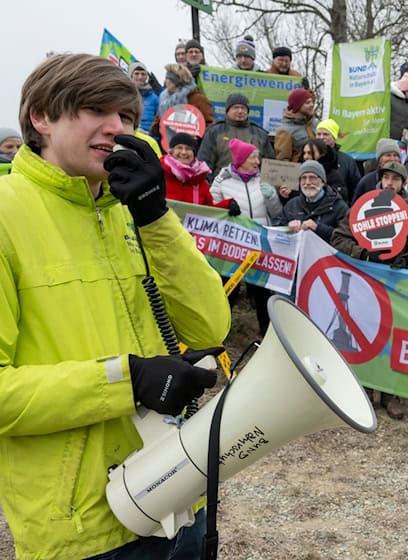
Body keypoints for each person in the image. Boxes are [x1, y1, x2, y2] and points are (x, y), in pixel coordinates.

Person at [0, 53, 230, 560]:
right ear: (40, 117)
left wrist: (156, 218)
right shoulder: (5, 214)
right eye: (93, 110)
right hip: (82, 529)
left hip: (174, 495)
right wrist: (129, 381)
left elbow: (211, 324)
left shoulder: (132, 209)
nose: (116, 128)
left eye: (126, 117)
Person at [332, 161, 408, 421]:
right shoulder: (361, 209)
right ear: (379, 181)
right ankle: (364, 391)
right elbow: (338, 238)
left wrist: (405, 261)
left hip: (393, 286)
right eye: (386, 178)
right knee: (363, 335)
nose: (390, 183)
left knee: (391, 337)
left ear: (403, 184)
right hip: (363, 282)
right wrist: (364, 254)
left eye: (396, 179)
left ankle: (389, 393)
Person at [210, 138, 282, 336]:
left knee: (262, 292)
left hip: (259, 244)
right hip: (232, 245)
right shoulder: (222, 181)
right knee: (228, 291)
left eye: (257, 158)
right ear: (241, 159)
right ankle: (218, 332)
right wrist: (225, 206)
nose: (257, 162)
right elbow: (211, 209)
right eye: (253, 158)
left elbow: (276, 213)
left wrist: (272, 198)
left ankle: (266, 333)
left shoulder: (264, 180)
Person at [197, 92, 275, 182]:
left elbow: (270, 166)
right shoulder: (215, 131)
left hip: (253, 187)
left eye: (243, 108)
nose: (240, 111)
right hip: (222, 186)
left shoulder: (260, 134)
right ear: (227, 110)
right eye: (235, 107)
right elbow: (204, 163)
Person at [282, 160, 349, 244]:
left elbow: (345, 238)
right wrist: (287, 228)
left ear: (322, 181)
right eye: (303, 178)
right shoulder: (291, 205)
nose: (307, 182)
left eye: (312, 178)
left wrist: (318, 228)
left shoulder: (339, 206)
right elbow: (276, 230)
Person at [156, 63, 214, 130]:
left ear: (176, 81)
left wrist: (197, 135)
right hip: (167, 138)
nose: (165, 81)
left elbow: (210, 123)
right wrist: (155, 130)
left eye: (167, 78)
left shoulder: (198, 99)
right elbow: (158, 120)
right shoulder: (164, 100)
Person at [162, 132, 214, 206]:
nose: (184, 152)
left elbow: (210, 212)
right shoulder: (159, 174)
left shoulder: (201, 182)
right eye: (179, 147)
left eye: (188, 149)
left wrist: (227, 205)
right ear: (172, 151)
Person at [315, 118, 361, 200]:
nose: (321, 137)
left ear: (334, 136)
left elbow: (356, 188)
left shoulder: (347, 161)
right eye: (318, 134)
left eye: (326, 134)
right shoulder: (309, 157)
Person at [351, 138, 402, 204]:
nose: (392, 159)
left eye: (395, 155)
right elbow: (356, 208)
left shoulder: (407, 180)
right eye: (388, 155)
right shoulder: (367, 182)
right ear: (379, 159)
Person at [274, 88, 317, 162]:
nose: (312, 105)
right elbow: (282, 161)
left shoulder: (314, 124)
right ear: (298, 106)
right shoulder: (285, 131)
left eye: (312, 102)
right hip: (298, 171)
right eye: (307, 102)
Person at [129, 61, 159, 134]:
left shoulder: (154, 98)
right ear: (130, 75)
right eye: (136, 73)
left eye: (143, 74)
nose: (140, 77)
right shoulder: (124, 95)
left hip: (148, 138)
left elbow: (158, 121)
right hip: (129, 135)